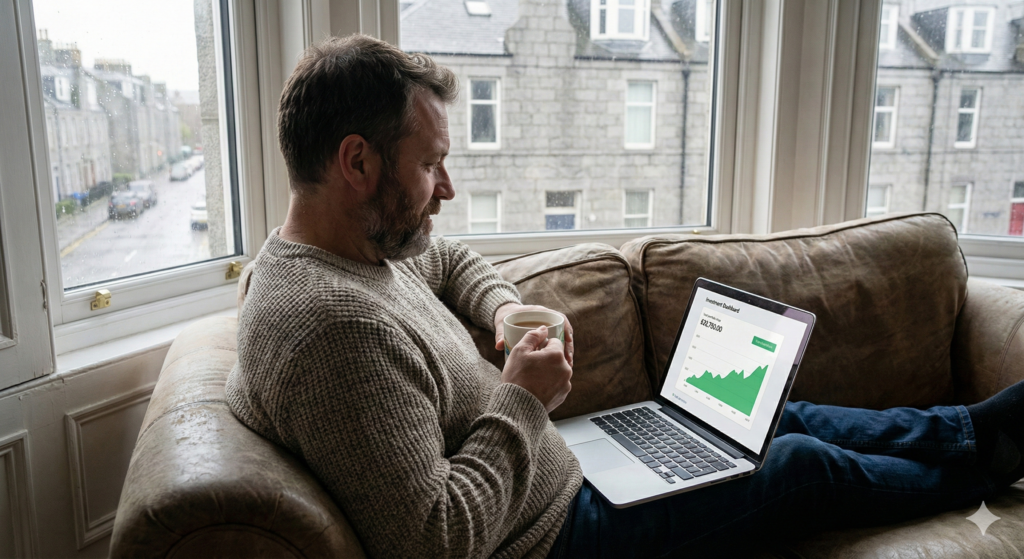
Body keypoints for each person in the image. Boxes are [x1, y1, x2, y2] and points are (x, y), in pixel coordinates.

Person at [226, 34, 1024, 558]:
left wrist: (503, 310)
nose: (448, 189)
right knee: (798, 465)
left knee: (771, 412)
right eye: (431, 164)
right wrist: (522, 402)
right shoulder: (332, 332)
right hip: (565, 536)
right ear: (357, 163)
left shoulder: (352, 248)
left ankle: (966, 432)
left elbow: (448, 261)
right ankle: (977, 471)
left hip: (574, 471)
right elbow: (437, 540)